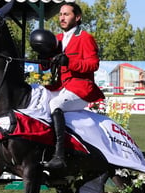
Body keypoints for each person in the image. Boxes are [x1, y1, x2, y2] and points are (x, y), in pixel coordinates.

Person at [41, 2, 105, 170]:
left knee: (55, 104)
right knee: (38, 99)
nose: (62, 17)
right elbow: (45, 66)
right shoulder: (57, 39)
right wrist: (42, 55)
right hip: (60, 87)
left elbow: (93, 65)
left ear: (77, 17)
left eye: (66, 14)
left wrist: (70, 62)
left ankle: (60, 155)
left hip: (81, 89)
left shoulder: (85, 38)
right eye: (60, 14)